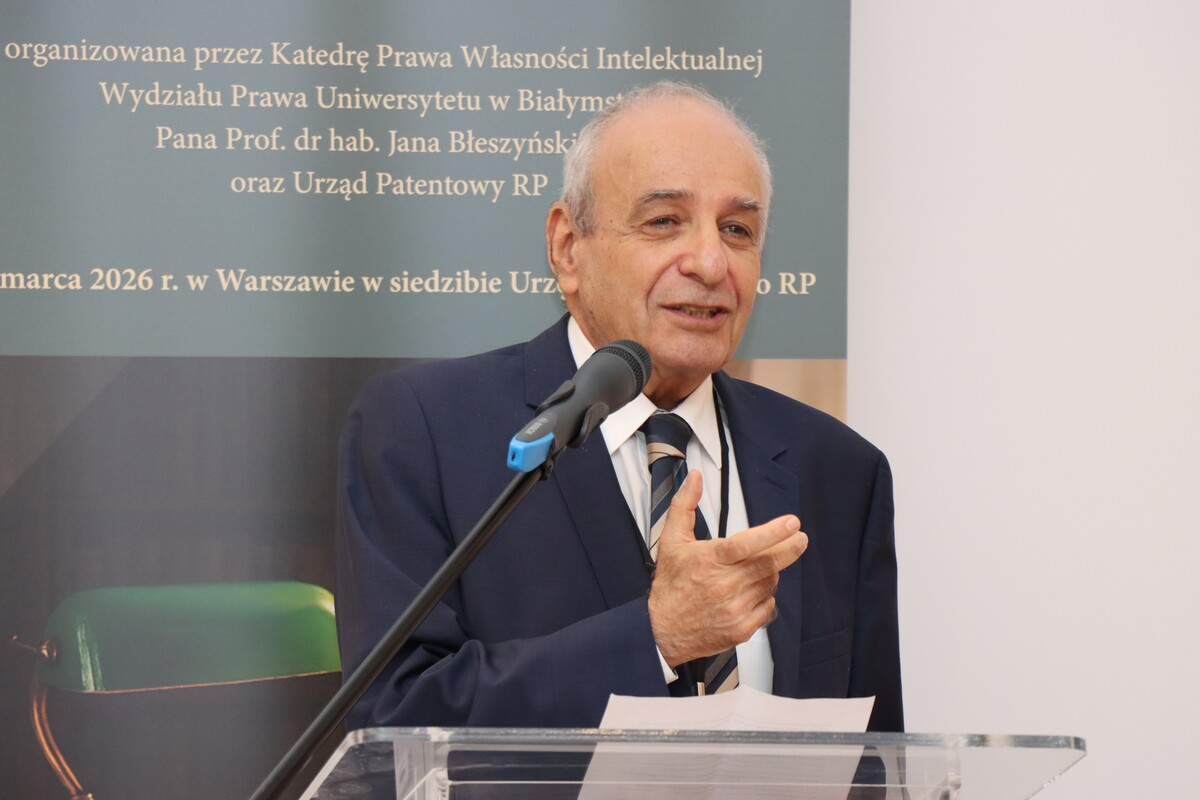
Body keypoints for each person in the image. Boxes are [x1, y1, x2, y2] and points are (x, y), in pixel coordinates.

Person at [335, 81, 902, 732]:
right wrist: (657, 636)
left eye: (737, 230)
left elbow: (878, 759)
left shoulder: (837, 469)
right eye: (664, 222)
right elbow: (394, 719)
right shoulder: (425, 430)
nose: (710, 262)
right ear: (567, 248)